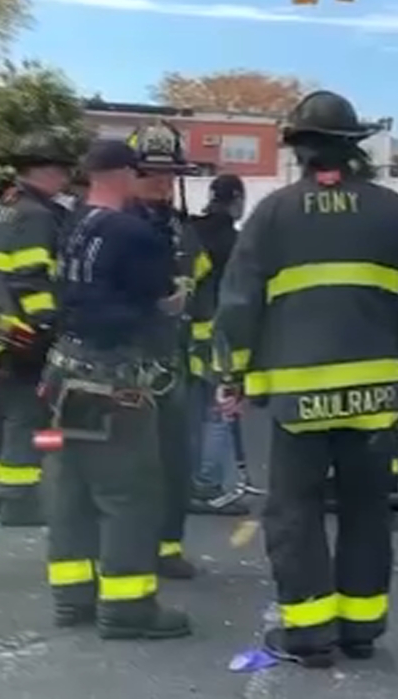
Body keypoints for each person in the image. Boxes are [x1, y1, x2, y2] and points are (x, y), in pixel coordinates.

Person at [216, 90, 398, 668]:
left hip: (298, 400)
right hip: (377, 402)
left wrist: (231, 374)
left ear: (301, 150)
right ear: (353, 147)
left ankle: (309, 636)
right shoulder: (393, 212)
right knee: (366, 512)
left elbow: (239, 304)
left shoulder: (273, 214)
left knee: (296, 514)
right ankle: (361, 632)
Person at [43, 138, 193, 640]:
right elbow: (156, 301)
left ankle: (72, 597)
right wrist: (172, 306)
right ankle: (127, 608)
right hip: (115, 383)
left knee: (71, 489)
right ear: (123, 174)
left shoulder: (72, 225)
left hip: (64, 374)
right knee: (130, 495)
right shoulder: (134, 233)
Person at [0, 133, 76, 526]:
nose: (66, 180)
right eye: (63, 171)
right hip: (23, 329)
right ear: (47, 171)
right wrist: (45, 325)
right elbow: (31, 277)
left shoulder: (0, 209)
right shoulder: (38, 215)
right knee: (26, 413)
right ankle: (18, 498)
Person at [127, 123, 208, 579]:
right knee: (132, 467)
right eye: (149, 174)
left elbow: (205, 292)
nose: (159, 183)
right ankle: (131, 551)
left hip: (175, 363)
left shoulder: (181, 229)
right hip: (128, 364)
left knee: (176, 463)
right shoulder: (116, 225)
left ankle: (167, 548)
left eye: (168, 174)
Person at [187, 174, 250, 515]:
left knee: (189, 412)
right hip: (218, 335)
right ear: (236, 199)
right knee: (219, 412)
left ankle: (186, 480)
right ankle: (207, 486)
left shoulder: (189, 230)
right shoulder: (235, 241)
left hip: (182, 334)